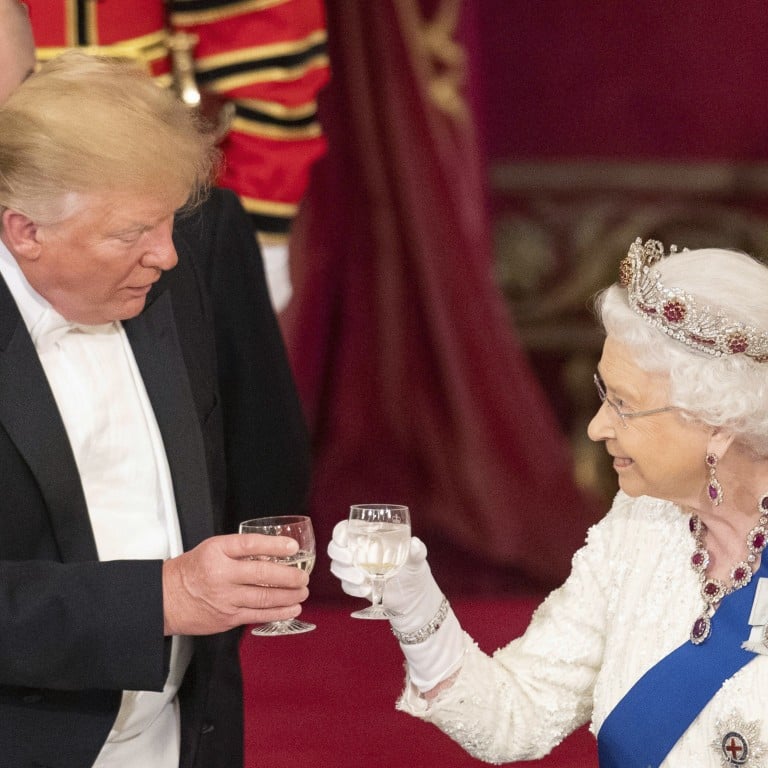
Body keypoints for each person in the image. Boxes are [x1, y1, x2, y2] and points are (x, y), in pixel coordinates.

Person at [329, 237, 768, 767]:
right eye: (603, 393)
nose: (596, 426)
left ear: (716, 424)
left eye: (624, 405)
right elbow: (519, 713)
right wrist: (413, 601)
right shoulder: (640, 523)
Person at [0, 50, 311, 768]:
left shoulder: (165, 293)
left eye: (169, 223)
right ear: (26, 231)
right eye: (131, 233)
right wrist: (160, 600)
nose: (166, 256)